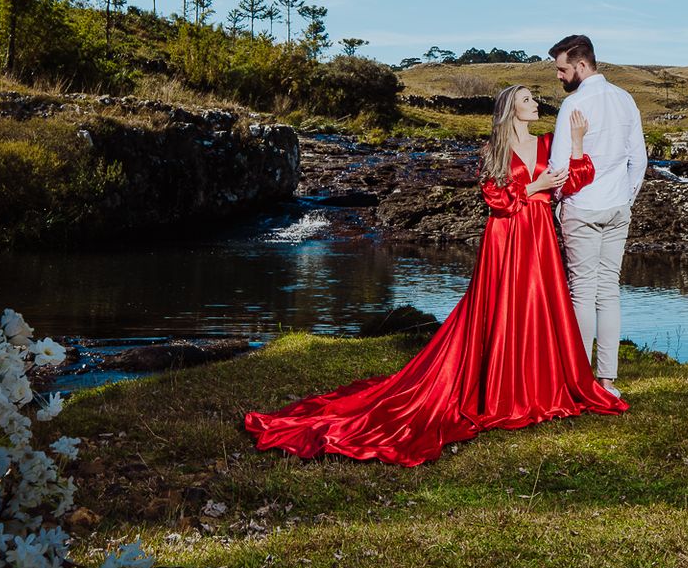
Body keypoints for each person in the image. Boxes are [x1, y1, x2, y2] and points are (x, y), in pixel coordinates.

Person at [244, 85, 627, 465]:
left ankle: (537, 386)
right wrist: (534, 186)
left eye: (533, 99)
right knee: (501, 308)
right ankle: (499, 388)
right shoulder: (493, 150)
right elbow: (494, 198)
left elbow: (575, 181)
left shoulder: (547, 144)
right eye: (527, 99)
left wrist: (576, 144)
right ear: (510, 109)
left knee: (538, 307)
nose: (535, 105)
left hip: (539, 234)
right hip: (505, 236)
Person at [546, 34, 646, 398]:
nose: (559, 76)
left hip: (583, 208)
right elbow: (640, 160)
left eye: (562, 69)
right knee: (610, 293)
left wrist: (559, 202)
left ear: (581, 65)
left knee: (583, 293)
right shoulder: (625, 99)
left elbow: (559, 167)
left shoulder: (575, 105)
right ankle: (607, 381)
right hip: (618, 206)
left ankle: (579, 379)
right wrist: (627, 198)